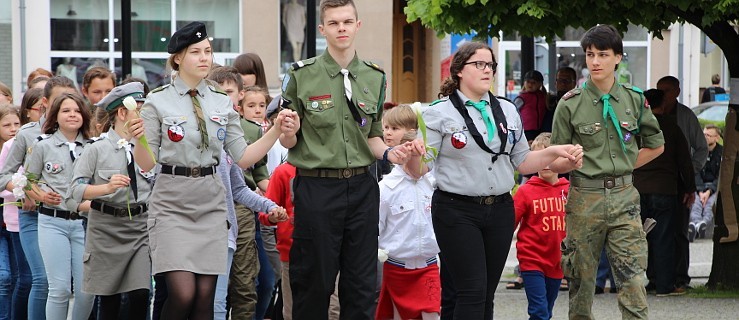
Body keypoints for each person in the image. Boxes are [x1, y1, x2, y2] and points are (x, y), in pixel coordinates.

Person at [131, 21, 294, 320]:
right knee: (183, 295)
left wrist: (273, 131)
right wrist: (138, 138)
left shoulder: (221, 101)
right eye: (196, 52)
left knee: (206, 300)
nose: (205, 57)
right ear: (177, 58)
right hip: (171, 203)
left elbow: (243, 157)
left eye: (207, 51)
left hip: (211, 204)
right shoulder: (157, 100)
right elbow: (146, 163)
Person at [279, 1, 422, 318]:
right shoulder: (302, 76)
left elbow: (371, 135)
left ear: (358, 25)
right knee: (314, 283)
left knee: (360, 285)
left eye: (347, 21)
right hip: (317, 189)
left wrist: (389, 153)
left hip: (361, 188)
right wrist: (288, 131)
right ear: (322, 30)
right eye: (333, 23)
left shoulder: (373, 76)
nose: (341, 28)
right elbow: (289, 139)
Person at [420, 41, 581, 319]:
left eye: (490, 65)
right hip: (456, 209)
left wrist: (555, 155)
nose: (487, 70)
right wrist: (412, 154)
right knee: (471, 290)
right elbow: (423, 164)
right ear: (459, 70)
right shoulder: (438, 112)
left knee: (484, 294)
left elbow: (523, 161)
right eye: (478, 64)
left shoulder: (507, 110)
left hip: (499, 209)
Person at [551, 25, 665, 319]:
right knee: (580, 281)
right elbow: (555, 161)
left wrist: (623, 168)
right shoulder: (569, 104)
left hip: (625, 198)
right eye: (590, 54)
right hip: (584, 198)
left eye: (603, 54)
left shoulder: (635, 99)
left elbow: (656, 145)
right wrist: (573, 162)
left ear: (618, 58)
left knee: (634, 280)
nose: (595, 61)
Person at [0, 76, 79, 319]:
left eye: (72, 102)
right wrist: (28, 192)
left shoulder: (82, 131)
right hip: (33, 216)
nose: (67, 108)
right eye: (60, 102)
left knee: (68, 285)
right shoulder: (27, 134)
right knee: (41, 279)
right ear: (45, 103)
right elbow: (5, 175)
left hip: (72, 216)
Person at [24, 92, 96, 320]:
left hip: (85, 224)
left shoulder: (94, 146)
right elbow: (27, 180)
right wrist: (42, 196)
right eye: (66, 110)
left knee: (87, 290)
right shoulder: (43, 145)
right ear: (55, 116)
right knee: (60, 289)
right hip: (52, 222)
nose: (72, 115)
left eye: (76, 110)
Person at [376, 105, 440, 320]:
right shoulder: (386, 187)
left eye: (394, 127)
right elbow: (377, 228)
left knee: (432, 315)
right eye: (385, 127)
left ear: (413, 132)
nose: (387, 132)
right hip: (396, 269)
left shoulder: (432, 181)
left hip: (429, 267)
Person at [213, 149, 287, 320]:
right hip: (184, 225)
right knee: (184, 296)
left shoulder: (227, 143)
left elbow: (239, 188)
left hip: (228, 223)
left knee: (226, 297)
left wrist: (270, 206)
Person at [656, 75, 708, 290]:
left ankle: (680, 277)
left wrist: (689, 174)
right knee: (655, 232)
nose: (663, 95)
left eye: (667, 90)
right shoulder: (650, 116)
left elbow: (701, 149)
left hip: (678, 182)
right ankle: (657, 278)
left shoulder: (685, 116)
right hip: (656, 182)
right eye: (659, 90)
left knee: (679, 231)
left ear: (677, 92)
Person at [513, 132, 568, 320]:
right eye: (539, 158)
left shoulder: (570, 190)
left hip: (557, 262)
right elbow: (508, 225)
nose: (545, 164)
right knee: (539, 311)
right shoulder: (525, 191)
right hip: (532, 261)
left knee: (547, 311)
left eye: (550, 157)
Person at [0, 104, 22, 319]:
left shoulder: (20, 147)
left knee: (19, 278)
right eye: (7, 124)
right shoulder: (5, 151)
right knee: (4, 277)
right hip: (3, 223)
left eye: (17, 124)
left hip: (16, 221)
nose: (13, 128)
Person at [690, 124, 723, 241]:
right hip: (699, 186)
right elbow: (695, 172)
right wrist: (700, 191)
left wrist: (709, 191)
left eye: (708, 135)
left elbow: (721, 176)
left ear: (716, 138)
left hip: (714, 187)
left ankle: (702, 224)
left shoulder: (721, 153)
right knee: (696, 203)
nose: (705, 137)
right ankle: (695, 224)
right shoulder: (698, 152)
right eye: (704, 134)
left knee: (710, 204)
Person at [514, 70, 548, 142]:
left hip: (541, 130)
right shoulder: (522, 97)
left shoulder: (544, 96)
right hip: (526, 130)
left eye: (533, 83)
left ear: (540, 84)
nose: (530, 85)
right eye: (528, 82)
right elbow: (513, 111)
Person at [542, 67, 577, 133]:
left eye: (567, 80)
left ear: (574, 84)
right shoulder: (549, 102)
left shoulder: (579, 104)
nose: (563, 84)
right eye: (560, 80)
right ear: (555, 83)